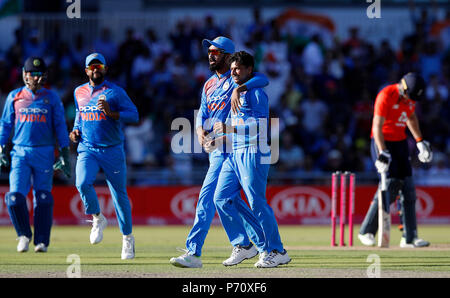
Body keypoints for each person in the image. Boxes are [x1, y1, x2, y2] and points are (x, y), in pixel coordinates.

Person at [170, 37, 269, 268]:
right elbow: (201, 114)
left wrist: (241, 88)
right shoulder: (208, 85)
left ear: (228, 55)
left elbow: (263, 80)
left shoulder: (237, 78)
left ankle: (193, 253)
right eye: (209, 51)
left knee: (207, 198)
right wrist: (198, 132)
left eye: (216, 51)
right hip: (216, 150)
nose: (210, 54)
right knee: (228, 200)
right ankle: (258, 244)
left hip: (234, 147)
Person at [213, 51, 290, 268]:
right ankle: (244, 245)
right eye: (231, 69)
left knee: (256, 202)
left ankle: (277, 250)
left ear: (248, 69)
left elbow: (261, 126)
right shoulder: (237, 91)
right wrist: (217, 138)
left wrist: (231, 128)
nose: (233, 72)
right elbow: (231, 121)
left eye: (238, 68)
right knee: (221, 198)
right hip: (233, 153)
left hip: (252, 151)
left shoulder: (256, 94)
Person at [70, 53, 139, 259]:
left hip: (112, 149)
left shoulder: (115, 92)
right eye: (92, 66)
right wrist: (75, 131)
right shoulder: (78, 91)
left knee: (119, 196)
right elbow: (79, 115)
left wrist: (112, 114)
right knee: (82, 183)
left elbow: (134, 115)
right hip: (88, 148)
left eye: (99, 65)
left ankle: (127, 238)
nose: (95, 69)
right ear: (86, 71)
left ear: (105, 69)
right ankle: (97, 217)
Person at [0, 57, 70, 253]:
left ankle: (41, 241)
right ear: (24, 75)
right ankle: (23, 235)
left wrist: (64, 151)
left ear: (45, 76)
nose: (36, 79)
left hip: (45, 152)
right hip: (20, 152)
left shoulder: (52, 98)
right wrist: (0, 148)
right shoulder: (14, 96)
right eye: (32, 74)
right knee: (14, 198)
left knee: (43, 197)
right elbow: (5, 125)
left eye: (39, 75)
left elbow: (60, 126)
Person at [358, 72, 432, 248]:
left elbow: (411, 117)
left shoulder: (409, 98)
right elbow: (376, 126)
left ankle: (409, 237)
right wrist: (382, 152)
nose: (411, 100)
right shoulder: (386, 95)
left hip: (400, 143)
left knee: (408, 186)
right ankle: (366, 231)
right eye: (409, 96)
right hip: (382, 141)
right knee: (390, 184)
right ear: (403, 87)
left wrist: (420, 141)